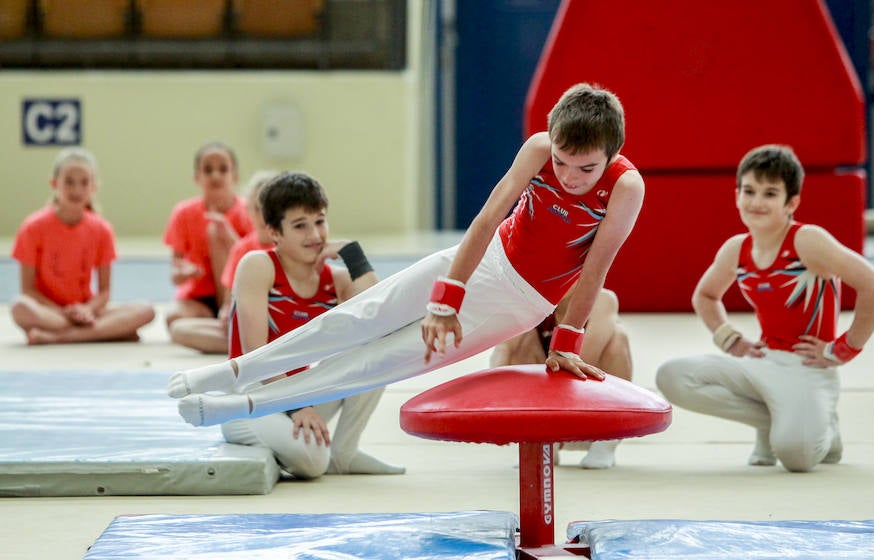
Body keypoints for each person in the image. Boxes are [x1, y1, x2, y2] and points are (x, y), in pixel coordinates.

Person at [168, 83, 645, 429]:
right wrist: (445, 300)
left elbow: (595, 268)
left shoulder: (625, 187)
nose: (569, 177)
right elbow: (485, 221)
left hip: (517, 301)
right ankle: (232, 373)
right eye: (562, 162)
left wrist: (566, 343)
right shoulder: (540, 148)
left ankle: (247, 406)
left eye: (586, 168)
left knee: (382, 361)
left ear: (610, 155)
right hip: (485, 254)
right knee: (361, 315)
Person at [655, 145, 874, 473]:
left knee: (796, 457)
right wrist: (732, 341)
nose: (756, 202)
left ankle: (825, 430)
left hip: (808, 368)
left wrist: (842, 349)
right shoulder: (737, 249)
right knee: (672, 377)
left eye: (770, 193)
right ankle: (775, 419)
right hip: (763, 362)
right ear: (736, 195)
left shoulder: (807, 241)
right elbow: (705, 296)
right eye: (749, 191)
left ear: (791, 202)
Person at [220, 172, 404, 477]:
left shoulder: (336, 279)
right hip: (249, 400)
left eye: (319, 221)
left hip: (299, 395)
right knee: (314, 462)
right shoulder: (257, 266)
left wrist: (353, 255)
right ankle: (302, 448)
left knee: (378, 348)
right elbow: (255, 355)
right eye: (300, 225)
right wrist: (297, 407)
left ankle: (344, 452)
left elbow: (385, 316)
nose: (314, 235)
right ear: (274, 233)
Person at [10, 148, 155, 344]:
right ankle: (107, 332)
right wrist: (65, 313)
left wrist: (87, 310)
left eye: (84, 182)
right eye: (69, 182)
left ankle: (59, 338)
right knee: (19, 307)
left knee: (146, 310)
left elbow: (104, 292)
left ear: (94, 186)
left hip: (87, 311)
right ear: (54, 183)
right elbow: (27, 290)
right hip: (51, 313)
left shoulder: (102, 229)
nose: (76, 189)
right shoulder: (33, 227)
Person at [490, 288, 632, 469]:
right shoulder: (531, 301)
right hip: (549, 413)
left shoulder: (602, 299)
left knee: (618, 337)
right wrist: (497, 407)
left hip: (590, 414)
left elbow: (585, 359)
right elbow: (503, 351)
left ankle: (607, 441)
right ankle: (540, 438)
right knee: (519, 343)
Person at [169, 170, 278, 354]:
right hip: (247, 326)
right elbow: (229, 300)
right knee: (179, 329)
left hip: (282, 323)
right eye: (259, 209)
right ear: (248, 210)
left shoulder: (287, 247)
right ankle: (256, 348)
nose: (265, 216)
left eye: (272, 209)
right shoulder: (241, 249)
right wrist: (226, 313)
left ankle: (258, 348)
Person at [163, 141, 254, 331]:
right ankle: (223, 325)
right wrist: (183, 272)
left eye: (223, 169)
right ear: (197, 177)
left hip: (238, 294)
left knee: (215, 231)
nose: (215, 175)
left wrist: (228, 237)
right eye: (208, 169)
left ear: (235, 176)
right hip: (199, 300)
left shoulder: (249, 211)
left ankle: (226, 311)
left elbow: (256, 259)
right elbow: (176, 274)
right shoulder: (183, 213)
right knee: (173, 317)